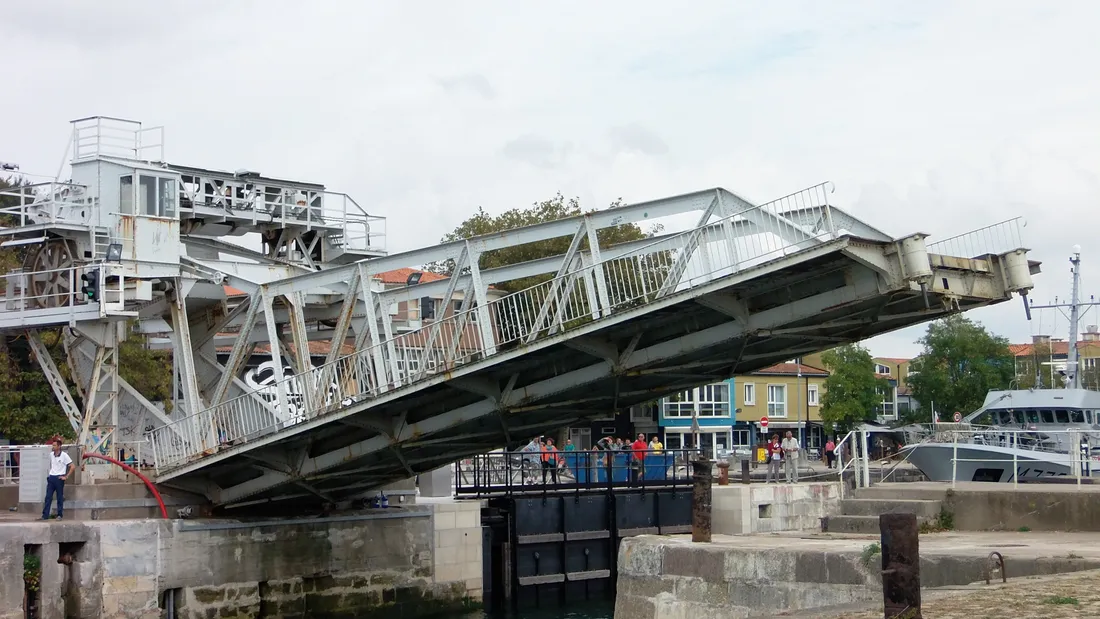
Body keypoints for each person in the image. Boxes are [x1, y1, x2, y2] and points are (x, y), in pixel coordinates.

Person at [43, 438, 73, 520]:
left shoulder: (64, 455)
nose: (53, 446)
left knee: (59, 497)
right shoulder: (51, 455)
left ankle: (60, 515)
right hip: (52, 477)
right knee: (48, 497)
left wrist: (66, 476)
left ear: (59, 446)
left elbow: (72, 466)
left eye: (54, 445)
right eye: (53, 445)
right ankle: (45, 515)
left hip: (59, 478)